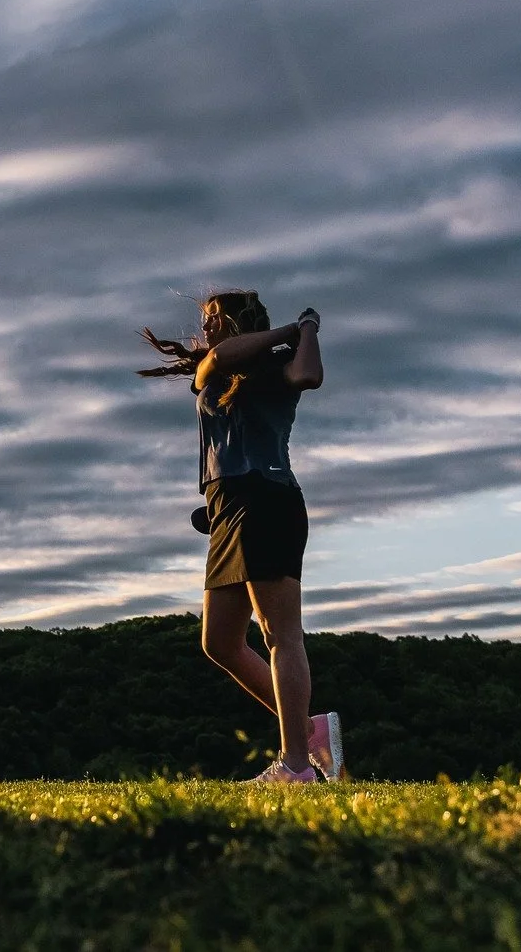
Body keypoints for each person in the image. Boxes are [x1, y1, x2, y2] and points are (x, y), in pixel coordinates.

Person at [140, 291, 340, 783]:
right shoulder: (214, 368)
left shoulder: (276, 367)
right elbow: (220, 358)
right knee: (220, 642)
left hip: (266, 500)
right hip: (230, 509)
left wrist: (307, 329)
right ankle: (311, 729)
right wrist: (213, 502)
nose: (205, 328)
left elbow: (309, 375)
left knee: (280, 635)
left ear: (236, 320)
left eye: (213, 318)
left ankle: (296, 766)